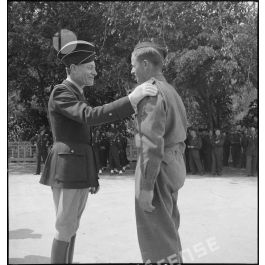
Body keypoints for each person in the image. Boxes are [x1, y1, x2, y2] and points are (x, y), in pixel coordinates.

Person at [39, 40, 158, 264]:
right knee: (64, 226)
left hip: (77, 168)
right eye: (89, 66)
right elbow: (90, 116)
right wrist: (132, 99)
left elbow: (84, 137)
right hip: (67, 169)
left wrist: (91, 175)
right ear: (73, 68)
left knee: (72, 225)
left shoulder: (75, 92)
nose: (95, 70)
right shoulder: (61, 92)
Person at [132, 41, 187, 263]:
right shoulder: (170, 90)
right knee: (169, 229)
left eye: (133, 64)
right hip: (174, 164)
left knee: (157, 238)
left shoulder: (152, 92)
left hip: (157, 170)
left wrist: (146, 187)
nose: (131, 70)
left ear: (145, 64)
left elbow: (151, 143)